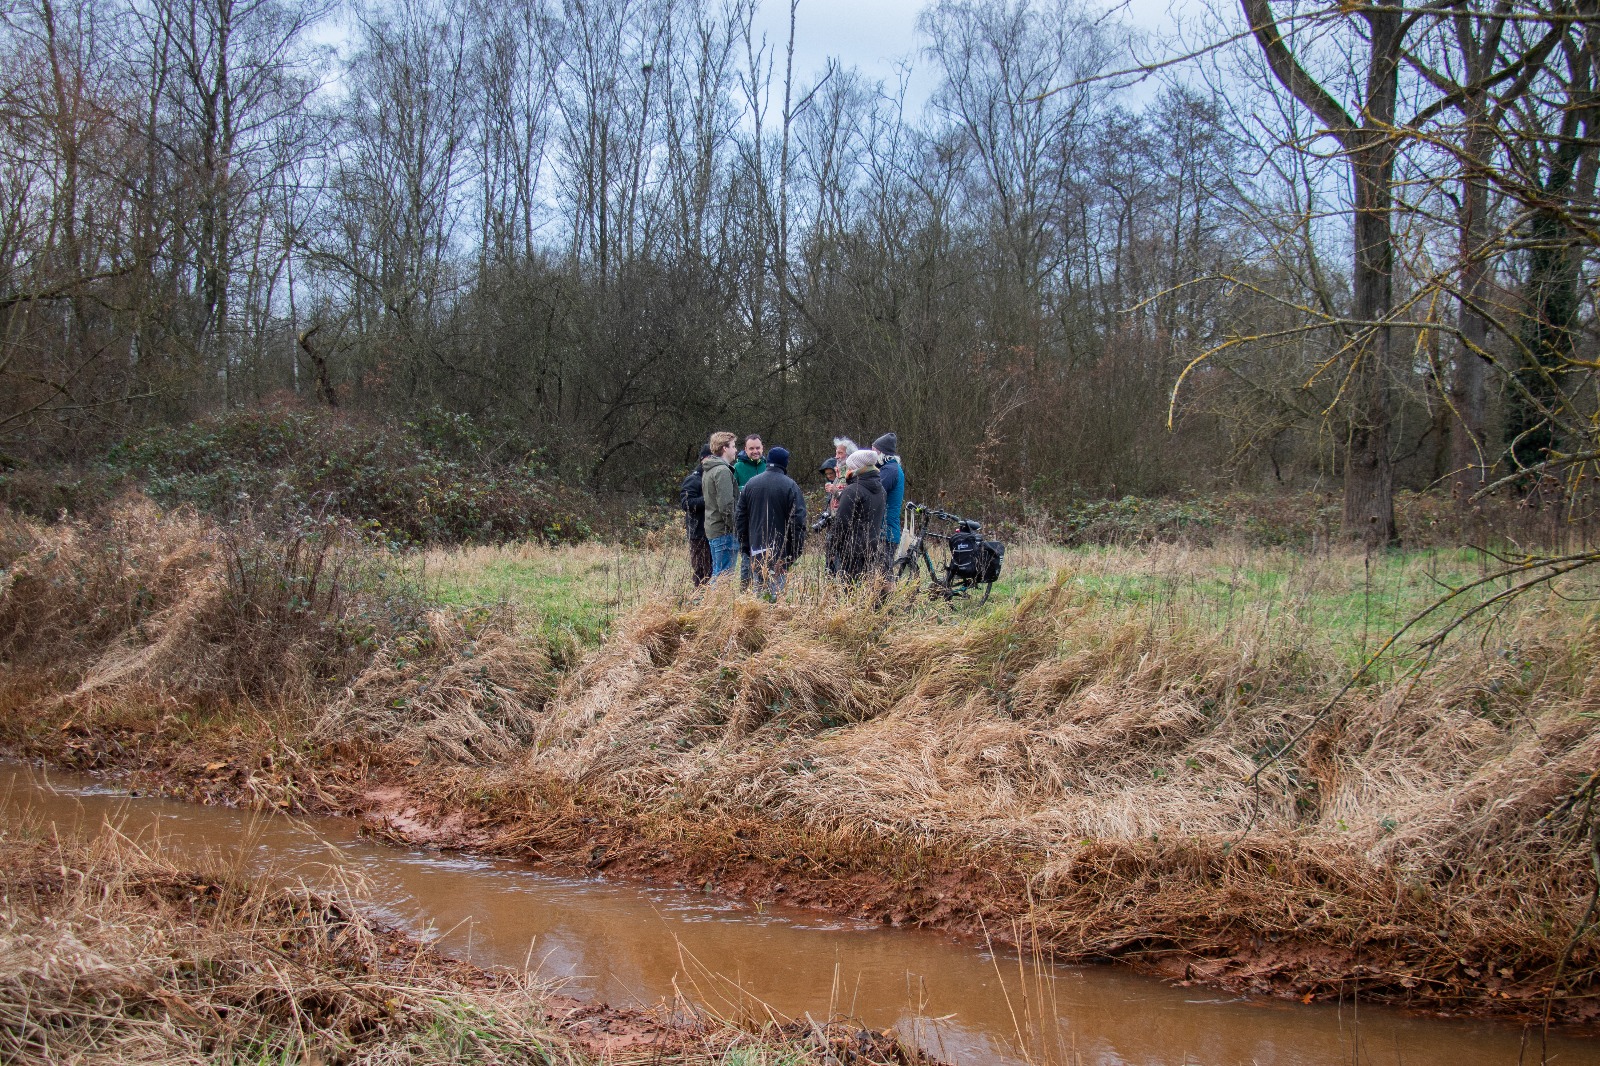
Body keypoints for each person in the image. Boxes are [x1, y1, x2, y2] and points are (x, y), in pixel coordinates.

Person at [734, 446, 806, 598]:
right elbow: (798, 522)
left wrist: (746, 546)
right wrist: (793, 553)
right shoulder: (791, 486)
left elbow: (740, 518)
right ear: (785, 464)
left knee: (759, 594)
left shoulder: (750, 485)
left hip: (755, 550)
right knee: (777, 596)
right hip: (780, 553)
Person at [828, 448, 887, 581]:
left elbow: (841, 523)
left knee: (850, 592)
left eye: (850, 467)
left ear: (855, 468)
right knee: (866, 591)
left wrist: (831, 548)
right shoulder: (881, 490)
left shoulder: (852, 490)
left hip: (851, 552)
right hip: (872, 548)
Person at [701, 431, 740, 581]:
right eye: (733, 446)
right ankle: (716, 605)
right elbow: (726, 506)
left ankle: (712, 604)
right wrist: (736, 527)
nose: (736, 450)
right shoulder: (722, 471)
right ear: (724, 448)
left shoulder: (710, 469)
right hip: (724, 531)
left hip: (715, 529)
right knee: (723, 577)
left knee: (718, 573)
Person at [733, 434, 767, 587]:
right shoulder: (737, 468)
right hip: (747, 522)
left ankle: (764, 591)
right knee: (747, 561)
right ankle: (745, 594)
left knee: (766, 561)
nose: (755, 451)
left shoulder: (768, 466)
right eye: (751, 448)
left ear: (762, 448)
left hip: (767, 521)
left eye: (757, 448)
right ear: (745, 449)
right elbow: (732, 494)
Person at [678, 445, 712, 585]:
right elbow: (686, 503)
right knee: (701, 572)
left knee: (712, 572)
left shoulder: (712, 477)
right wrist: (709, 499)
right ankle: (698, 602)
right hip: (698, 534)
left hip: (712, 532)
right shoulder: (693, 479)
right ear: (703, 459)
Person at [873, 432, 905, 571]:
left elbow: (874, 491)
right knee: (883, 571)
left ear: (881, 452)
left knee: (883, 572)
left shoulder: (889, 471)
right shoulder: (891, 468)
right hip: (887, 530)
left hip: (886, 531)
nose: (872, 455)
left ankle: (888, 593)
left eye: (874, 451)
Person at [824, 436, 857, 515]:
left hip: (847, 516)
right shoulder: (839, 472)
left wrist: (835, 491)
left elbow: (851, 497)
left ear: (849, 455)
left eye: (840, 453)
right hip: (837, 517)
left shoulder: (852, 473)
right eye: (836, 453)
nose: (836, 456)